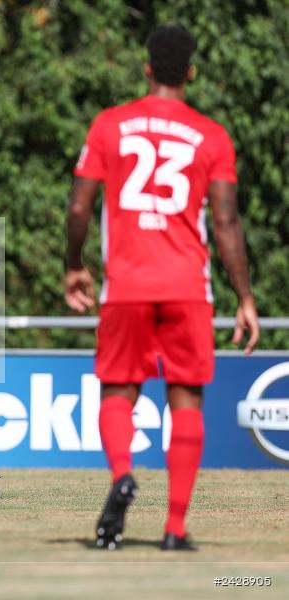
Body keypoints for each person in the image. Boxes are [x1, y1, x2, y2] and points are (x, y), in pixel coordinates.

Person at [65, 25, 259, 551]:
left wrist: (74, 264)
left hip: (126, 286)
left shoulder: (111, 125)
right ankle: (174, 528)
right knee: (186, 400)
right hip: (187, 288)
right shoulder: (212, 135)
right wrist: (244, 296)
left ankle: (122, 475)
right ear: (191, 73)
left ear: (147, 68)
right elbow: (225, 222)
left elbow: (80, 205)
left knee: (118, 392)